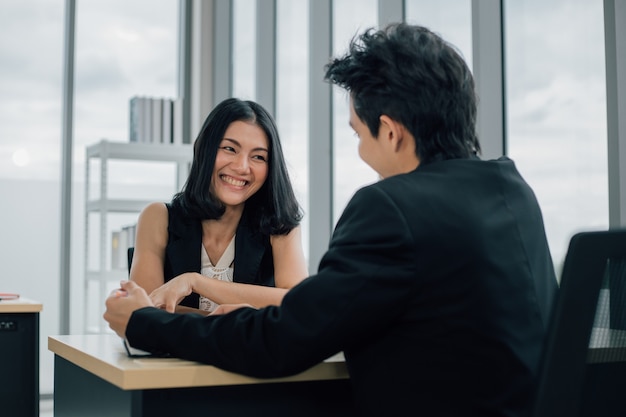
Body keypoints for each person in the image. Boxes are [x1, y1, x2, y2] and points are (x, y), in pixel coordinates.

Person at [105, 23, 558, 416]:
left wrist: (145, 322)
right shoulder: (513, 191)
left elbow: (281, 342)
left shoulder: (390, 209)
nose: (362, 152)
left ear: (392, 132)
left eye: (359, 134)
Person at [130, 97, 308, 315]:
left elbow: (298, 304)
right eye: (230, 149)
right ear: (205, 149)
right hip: (171, 351)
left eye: (258, 157)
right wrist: (238, 323)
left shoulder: (280, 226)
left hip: (247, 351)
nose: (242, 167)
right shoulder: (158, 217)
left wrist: (196, 282)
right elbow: (144, 313)